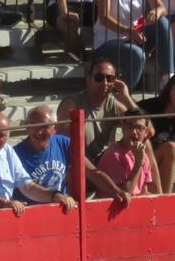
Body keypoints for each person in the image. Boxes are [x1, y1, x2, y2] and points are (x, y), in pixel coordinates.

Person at [58, 58, 135, 199]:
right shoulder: (71, 104)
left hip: (103, 164)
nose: (105, 83)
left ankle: (158, 195)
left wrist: (127, 98)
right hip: (77, 166)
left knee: (143, 142)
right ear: (88, 78)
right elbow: (68, 149)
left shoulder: (113, 104)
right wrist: (98, 177)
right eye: (99, 78)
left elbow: (146, 129)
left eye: (110, 78)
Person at [140, 71, 175, 193]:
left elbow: (174, 136)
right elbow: (131, 112)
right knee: (172, 148)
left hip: (164, 155)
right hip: (144, 156)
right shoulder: (151, 105)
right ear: (169, 87)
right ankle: (166, 198)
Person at [12, 105, 77, 209]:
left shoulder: (63, 143)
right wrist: (57, 196)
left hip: (61, 208)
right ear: (27, 127)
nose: (39, 132)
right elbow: (28, 187)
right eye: (34, 126)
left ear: (54, 128)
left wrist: (112, 191)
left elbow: (89, 171)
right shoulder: (15, 154)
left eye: (44, 126)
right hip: (31, 214)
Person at [97, 109, 162, 200]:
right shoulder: (113, 155)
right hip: (113, 208)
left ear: (146, 132)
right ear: (123, 128)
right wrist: (138, 163)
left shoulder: (143, 155)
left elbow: (143, 192)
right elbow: (124, 195)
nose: (134, 132)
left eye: (139, 128)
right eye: (130, 126)